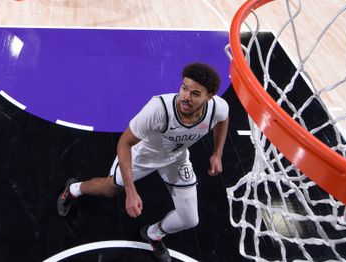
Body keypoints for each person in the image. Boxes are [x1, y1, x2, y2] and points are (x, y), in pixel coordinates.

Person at [57, 63, 229, 262]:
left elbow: (223, 120)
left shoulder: (217, 107)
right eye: (184, 88)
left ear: (209, 97)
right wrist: (130, 190)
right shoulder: (159, 109)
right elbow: (124, 143)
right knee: (111, 188)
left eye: (195, 93)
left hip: (177, 158)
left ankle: (154, 234)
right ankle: (74, 189)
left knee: (190, 219)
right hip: (144, 155)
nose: (185, 97)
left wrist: (217, 153)